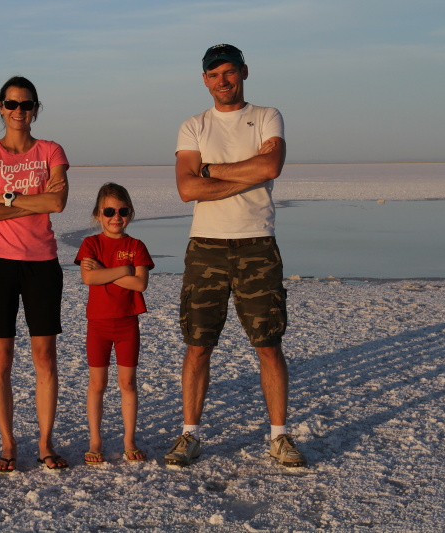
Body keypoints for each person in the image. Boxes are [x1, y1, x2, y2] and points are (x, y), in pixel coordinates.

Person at [165, 44, 307, 468]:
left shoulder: (266, 116)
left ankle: (279, 436)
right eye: (213, 75)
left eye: (228, 72)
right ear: (204, 80)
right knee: (198, 345)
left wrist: (210, 170)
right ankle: (190, 434)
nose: (222, 81)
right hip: (206, 246)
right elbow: (187, 188)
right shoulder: (193, 126)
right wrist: (247, 172)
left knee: (268, 345)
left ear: (244, 72)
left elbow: (271, 167)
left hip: (257, 245)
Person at [0, 76, 70, 472]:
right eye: (11, 104)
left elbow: (57, 202)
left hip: (42, 263)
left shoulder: (51, 150)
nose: (18, 111)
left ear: (35, 109)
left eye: (26, 104)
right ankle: (8, 443)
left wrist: (6, 199)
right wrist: (32, 200)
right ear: (0, 107)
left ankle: (45, 443)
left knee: (45, 357)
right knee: (1, 359)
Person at [74, 183, 155, 466]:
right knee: (97, 383)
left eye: (122, 211)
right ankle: (95, 440)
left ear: (130, 213)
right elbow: (89, 278)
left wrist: (106, 272)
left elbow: (140, 284)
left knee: (127, 383)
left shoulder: (136, 246)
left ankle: (129, 440)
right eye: (109, 211)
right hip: (98, 324)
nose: (115, 217)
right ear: (98, 214)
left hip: (127, 324)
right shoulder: (91, 244)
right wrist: (123, 270)